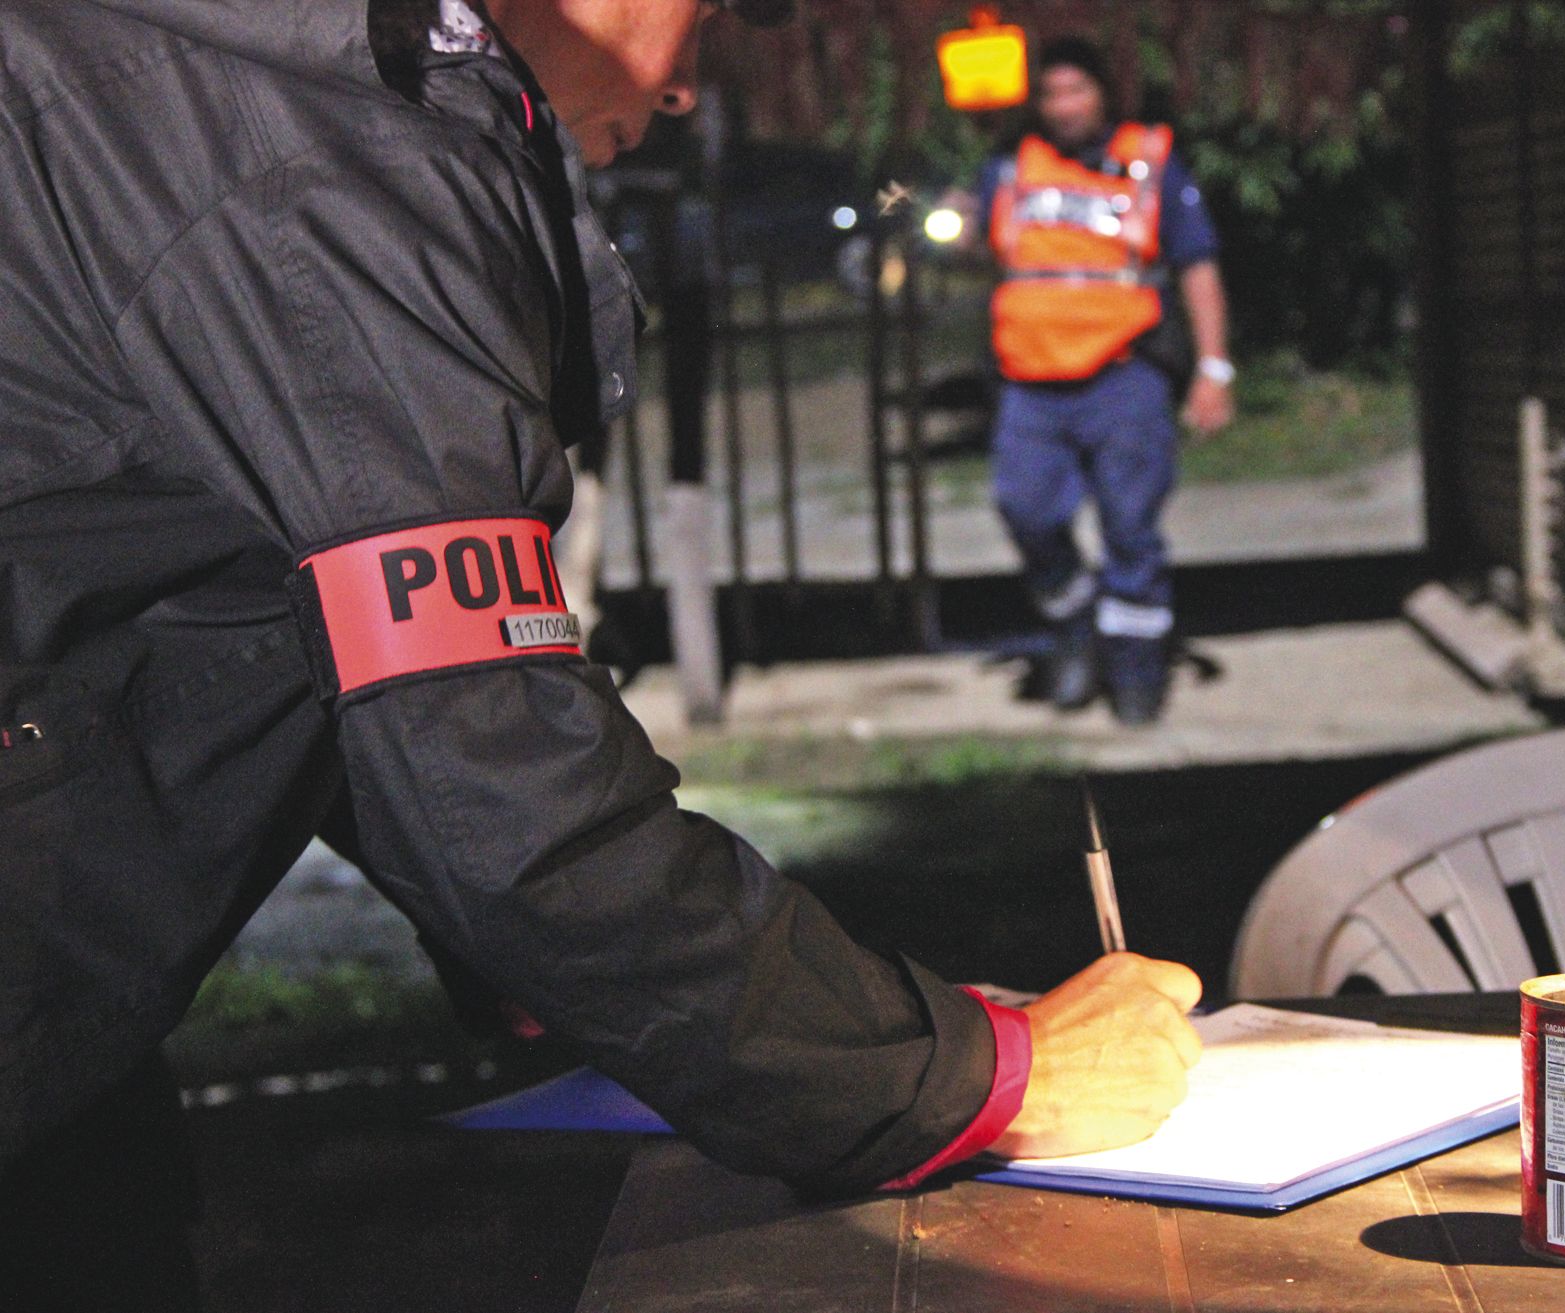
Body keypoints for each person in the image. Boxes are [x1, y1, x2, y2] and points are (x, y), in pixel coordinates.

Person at [0, 0, 1202, 1304]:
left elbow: (316, 652)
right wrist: (968, 1080)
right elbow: (493, 765)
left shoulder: (243, 77)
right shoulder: (317, 153)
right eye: (710, 14)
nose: (688, 87)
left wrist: (602, 980)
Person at [978, 37, 1236, 725]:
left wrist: (1213, 368)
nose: (1063, 106)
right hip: (1030, 383)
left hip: (1124, 376)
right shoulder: (1011, 167)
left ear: (1103, 92)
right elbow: (968, 239)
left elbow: (1198, 266)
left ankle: (1134, 672)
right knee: (1025, 510)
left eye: (1076, 90)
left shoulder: (1149, 160)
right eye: (1051, 93)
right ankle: (1074, 627)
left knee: (1131, 529)